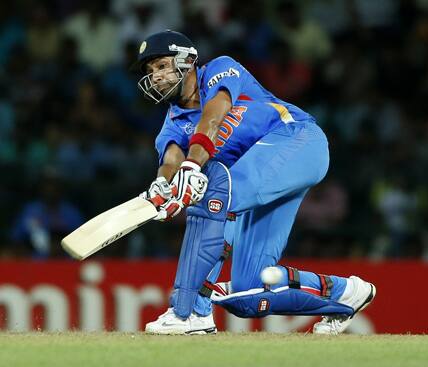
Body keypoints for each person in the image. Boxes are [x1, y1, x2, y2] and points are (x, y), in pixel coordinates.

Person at [134, 30, 376, 335]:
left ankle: (189, 311)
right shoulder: (173, 122)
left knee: (210, 193)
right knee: (250, 294)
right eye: (150, 71)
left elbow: (213, 118)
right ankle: (346, 294)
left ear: (188, 60)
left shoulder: (220, 69)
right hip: (259, 176)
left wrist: (192, 167)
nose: (155, 77)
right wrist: (161, 187)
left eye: (161, 65)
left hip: (299, 140)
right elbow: (170, 159)